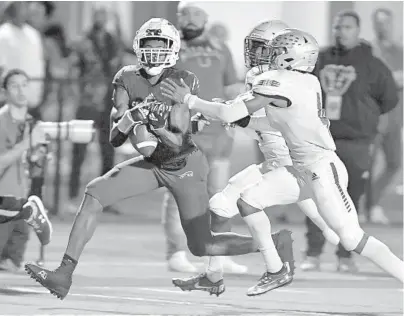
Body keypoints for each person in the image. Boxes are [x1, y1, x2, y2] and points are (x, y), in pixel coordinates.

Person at [24, 18, 293, 300]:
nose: (153, 52)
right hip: (154, 164)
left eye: (159, 46)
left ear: (173, 49)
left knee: (202, 246)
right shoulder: (126, 77)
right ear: (137, 48)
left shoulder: (183, 80)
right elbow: (114, 138)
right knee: (95, 193)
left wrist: (154, 126)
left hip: (183, 165)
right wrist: (131, 118)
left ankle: (276, 243)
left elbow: (176, 144)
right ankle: (64, 274)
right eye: (147, 46)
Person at [161, 27, 404, 295]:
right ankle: (274, 270)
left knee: (350, 238)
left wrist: (189, 100)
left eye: (276, 50)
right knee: (247, 200)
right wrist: (226, 115)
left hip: (320, 169)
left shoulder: (280, 80)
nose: (268, 55)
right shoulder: (303, 81)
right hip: (298, 169)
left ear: (292, 57)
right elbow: (269, 122)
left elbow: (234, 113)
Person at [171, 20, 340, 297]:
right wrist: (225, 114)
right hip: (276, 162)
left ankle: (278, 265)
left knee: (336, 228)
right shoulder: (274, 78)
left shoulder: (279, 80)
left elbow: (255, 120)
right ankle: (214, 276)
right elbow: (245, 116)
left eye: (262, 47)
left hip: (289, 164)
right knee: (221, 204)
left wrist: (215, 111)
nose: (255, 53)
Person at [300, 10, 400, 272]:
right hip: (321, 142)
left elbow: (389, 98)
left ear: (357, 31)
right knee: (318, 198)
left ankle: (345, 257)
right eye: (337, 27)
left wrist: (364, 117)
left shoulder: (372, 64)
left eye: (346, 27)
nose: (340, 31)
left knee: (350, 201)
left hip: (356, 142)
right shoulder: (318, 60)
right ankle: (312, 253)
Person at [161, 1, 246, 273]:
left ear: (205, 18)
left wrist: (234, 124)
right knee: (181, 194)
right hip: (182, 136)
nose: (189, 19)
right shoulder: (168, 49)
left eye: (196, 13)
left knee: (220, 196)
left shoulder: (221, 48)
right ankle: (175, 253)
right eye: (184, 14)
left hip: (218, 136)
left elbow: (233, 88)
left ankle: (219, 255)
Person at [68, 6, 122, 214]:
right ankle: (73, 196)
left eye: (105, 15)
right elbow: (73, 69)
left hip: (109, 102)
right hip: (87, 101)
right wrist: (77, 94)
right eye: (99, 15)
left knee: (108, 149)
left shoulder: (112, 40)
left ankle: (106, 198)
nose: (102, 18)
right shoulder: (83, 41)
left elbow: (122, 59)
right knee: (79, 149)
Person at [0, 69, 53, 272]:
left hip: (21, 200)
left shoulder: (32, 123)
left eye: (24, 85)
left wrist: (37, 157)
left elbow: (33, 164)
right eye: (15, 85)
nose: (21, 91)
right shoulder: (1, 122)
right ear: (5, 92)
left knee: (11, 264)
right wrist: (27, 143)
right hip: (4, 199)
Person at [367, 8, 403, 224]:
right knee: (368, 164)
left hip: (396, 116)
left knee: (394, 163)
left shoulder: (400, 51)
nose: (383, 26)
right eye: (379, 22)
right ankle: (369, 207)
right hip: (374, 117)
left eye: (386, 22)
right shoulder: (370, 51)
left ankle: (373, 202)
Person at [0, 2, 46, 119]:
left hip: (33, 100)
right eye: (18, 6)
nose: (22, 10)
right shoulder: (3, 34)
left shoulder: (33, 34)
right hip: (9, 102)